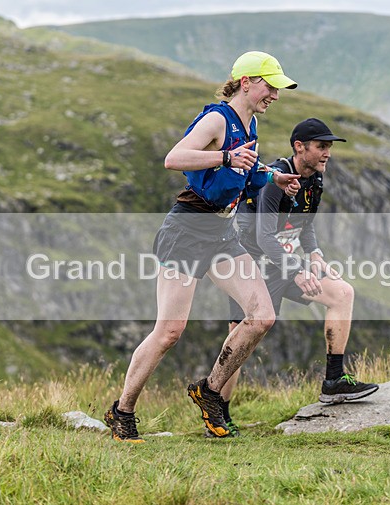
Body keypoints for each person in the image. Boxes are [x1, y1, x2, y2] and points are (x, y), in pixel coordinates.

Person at [104, 51, 301, 442]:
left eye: (278, 88)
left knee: (261, 316)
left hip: (222, 232)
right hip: (188, 229)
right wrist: (225, 155)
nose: (275, 94)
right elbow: (173, 158)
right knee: (169, 332)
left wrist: (272, 178)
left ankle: (209, 391)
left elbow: (245, 168)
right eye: (270, 85)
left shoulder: (252, 122)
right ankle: (122, 411)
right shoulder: (217, 119)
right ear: (246, 82)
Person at [219, 118, 379, 435]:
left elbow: (305, 224)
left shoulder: (315, 179)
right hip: (252, 266)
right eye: (321, 147)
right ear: (299, 147)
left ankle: (333, 380)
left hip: (287, 264)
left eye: (329, 147)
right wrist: (298, 268)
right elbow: (265, 238)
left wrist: (315, 254)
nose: (327, 154)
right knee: (240, 340)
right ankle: (217, 412)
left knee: (342, 294)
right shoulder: (273, 181)